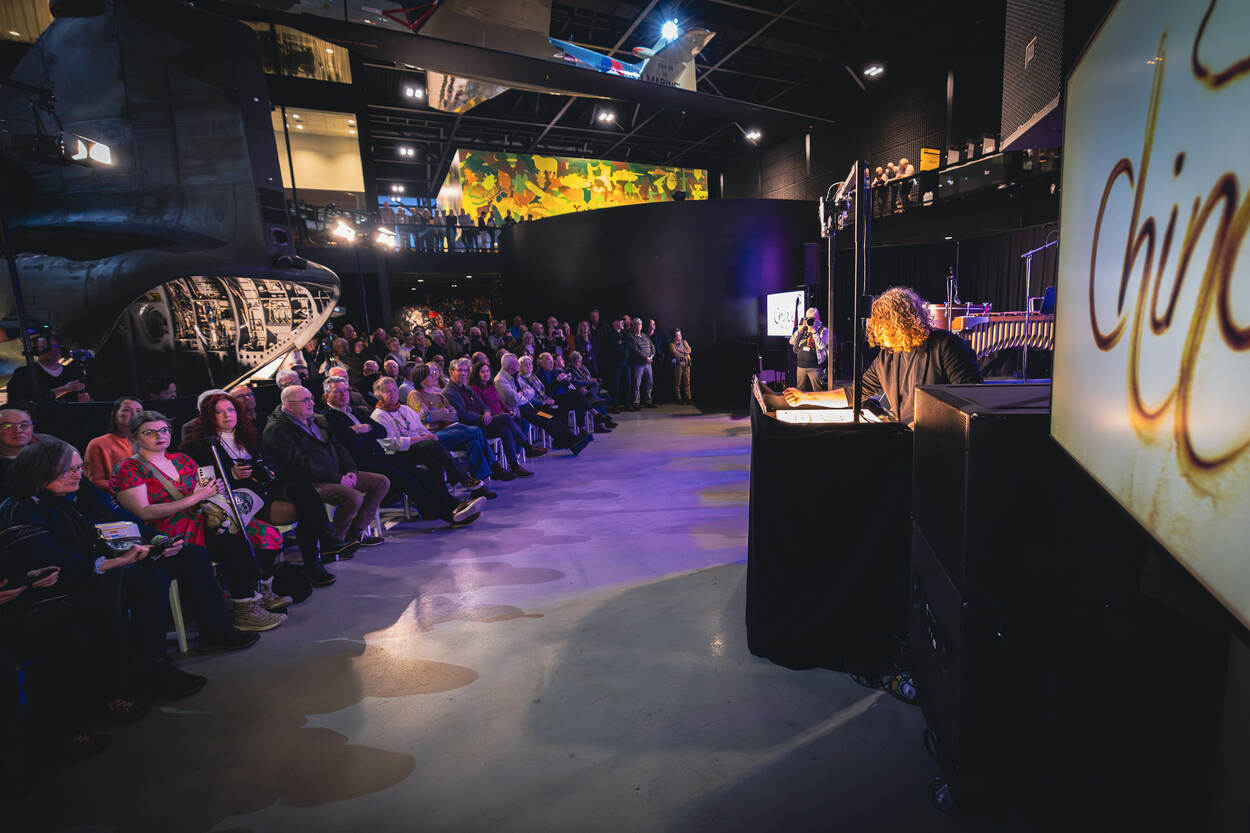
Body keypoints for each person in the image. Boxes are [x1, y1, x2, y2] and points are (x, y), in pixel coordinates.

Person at [2, 440, 255, 694]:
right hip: (76, 576)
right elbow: (54, 565)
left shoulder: (81, 490)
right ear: (40, 471)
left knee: (192, 555)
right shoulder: (22, 509)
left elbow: (126, 519)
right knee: (149, 580)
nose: (77, 475)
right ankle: (151, 668)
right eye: (68, 470)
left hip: (119, 555)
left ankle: (215, 630)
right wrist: (118, 561)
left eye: (80, 468)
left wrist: (157, 540)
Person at [112, 411, 286, 631]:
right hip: (167, 532)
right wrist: (197, 497)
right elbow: (144, 512)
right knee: (233, 543)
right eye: (149, 432)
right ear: (135, 437)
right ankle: (245, 608)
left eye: (164, 430)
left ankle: (255, 592)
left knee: (262, 533)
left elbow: (203, 491)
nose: (159, 436)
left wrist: (214, 489)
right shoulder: (128, 468)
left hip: (204, 519)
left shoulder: (181, 459)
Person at [182, 392, 342, 587]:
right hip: (239, 499)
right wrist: (231, 474)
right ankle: (319, 553)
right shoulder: (199, 444)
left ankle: (314, 559)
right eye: (219, 412)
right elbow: (205, 480)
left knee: (303, 490)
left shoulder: (249, 433)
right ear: (209, 416)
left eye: (231, 410)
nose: (227, 415)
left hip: (265, 486)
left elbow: (269, 462)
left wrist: (264, 469)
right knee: (308, 507)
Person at [783, 286, 982, 426]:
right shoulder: (887, 356)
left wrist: (925, 424)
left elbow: (972, 400)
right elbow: (853, 394)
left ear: (900, 324)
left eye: (883, 327)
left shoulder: (946, 346)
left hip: (942, 441)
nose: (878, 334)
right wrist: (805, 397)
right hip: (907, 436)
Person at [321, 376, 486, 526]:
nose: (344, 394)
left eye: (345, 390)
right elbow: (350, 441)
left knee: (421, 474)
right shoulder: (328, 417)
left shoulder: (356, 411)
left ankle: (455, 506)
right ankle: (450, 515)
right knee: (408, 480)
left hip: (381, 455)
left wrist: (365, 429)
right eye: (338, 391)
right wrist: (364, 431)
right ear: (327, 395)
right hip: (363, 462)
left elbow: (380, 431)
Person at [262, 386, 389, 549]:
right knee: (353, 497)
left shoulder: (318, 420)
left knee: (381, 482)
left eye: (311, 399)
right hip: (305, 482)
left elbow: (339, 448)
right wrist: (338, 478)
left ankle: (354, 533)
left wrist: (350, 470)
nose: (312, 403)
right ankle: (334, 543)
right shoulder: (277, 429)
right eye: (305, 400)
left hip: (335, 474)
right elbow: (299, 465)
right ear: (289, 405)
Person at [400, 365, 502, 486]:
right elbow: (424, 417)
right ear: (421, 378)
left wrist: (439, 414)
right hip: (432, 434)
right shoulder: (415, 394)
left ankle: (478, 483)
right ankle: (494, 466)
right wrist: (444, 412)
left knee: (474, 442)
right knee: (475, 431)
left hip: (449, 430)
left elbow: (455, 415)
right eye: (430, 375)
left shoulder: (438, 394)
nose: (434, 376)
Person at [444, 357, 533, 477]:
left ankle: (514, 466)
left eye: (465, 370)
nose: (463, 373)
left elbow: (484, 405)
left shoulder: (467, 388)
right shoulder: (450, 392)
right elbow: (462, 414)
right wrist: (482, 416)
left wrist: (486, 412)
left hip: (483, 421)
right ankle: (527, 447)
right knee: (505, 418)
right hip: (469, 427)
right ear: (451, 372)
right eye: (460, 370)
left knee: (506, 429)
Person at [495, 353, 589, 454]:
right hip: (518, 411)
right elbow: (514, 400)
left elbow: (531, 391)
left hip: (529, 407)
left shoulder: (515, 375)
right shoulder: (501, 380)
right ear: (510, 365)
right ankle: (569, 444)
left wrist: (522, 393)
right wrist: (523, 393)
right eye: (516, 363)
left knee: (550, 417)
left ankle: (572, 438)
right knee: (545, 420)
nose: (518, 365)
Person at [4, 332, 90, 405]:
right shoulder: (23, 373)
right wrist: (64, 389)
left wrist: (86, 401)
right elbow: (16, 402)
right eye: (46, 347)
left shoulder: (74, 371)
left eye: (56, 346)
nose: (54, 350)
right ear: (37, 349)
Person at [84, 397, 143, 489]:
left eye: (139, 411)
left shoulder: (148, 441)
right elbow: (96, 481)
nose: (134, 414)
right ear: (115, 416)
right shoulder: (98, 443)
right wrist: (128, 490)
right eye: (127, 410)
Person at [789, 307, 831, 392]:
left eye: (813, 318)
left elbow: (822, 346)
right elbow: (791, 342)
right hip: (801, 366)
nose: (811, 320)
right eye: (808, 318)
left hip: (815, 367)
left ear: (818, 318)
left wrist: (814, 331)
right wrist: (800, 329)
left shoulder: (823, 330)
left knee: (818, 391)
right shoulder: (803, 330)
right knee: (801, 391)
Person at [626, 317, 656, 409]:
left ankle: (648, 401)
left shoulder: (645, 335)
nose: (638, 326)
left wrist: (651, 357)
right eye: (636, 324)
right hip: (638, 363)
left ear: (642, 326)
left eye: (639, 324)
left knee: (649, 382)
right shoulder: (631, 336)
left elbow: (652, 347)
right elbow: (635, 350)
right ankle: (636, 402)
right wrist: (645, 358)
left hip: (648, 363)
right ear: (633, 326)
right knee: (636, 383)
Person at [668, 328, 693, 403]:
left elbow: (689, 350)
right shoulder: (672, 344)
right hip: (678, 365)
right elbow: (675, 353)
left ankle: (688, 397)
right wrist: (684, 353)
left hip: (686, 364)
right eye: (678, 335)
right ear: (674, 337)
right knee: (677, 382)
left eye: (680, 335)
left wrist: (680, 351)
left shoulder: (684, 342)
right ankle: (678, 398)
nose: (680, 337)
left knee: (687, 381)